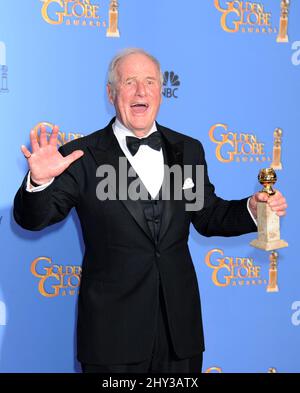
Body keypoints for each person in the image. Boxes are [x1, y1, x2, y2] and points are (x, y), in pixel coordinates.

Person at [13, 48, 288, 373]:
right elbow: (34, 219)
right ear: (112, 93)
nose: (141, 91)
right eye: (129, 82)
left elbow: (209, 215)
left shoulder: (188, 149)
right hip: (112, 338)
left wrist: (252, 209)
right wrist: (39, 181)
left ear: (161, 91)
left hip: (179, 336)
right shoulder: (81, 154)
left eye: (150, 82)